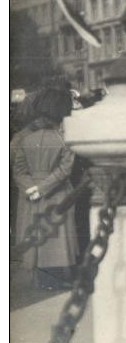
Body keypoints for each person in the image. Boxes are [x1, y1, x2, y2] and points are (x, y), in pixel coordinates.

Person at [11, 88, 78, 290]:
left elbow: (18, 169)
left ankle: (41, 278)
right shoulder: (63, 138)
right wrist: (43, 187)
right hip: (55, 192)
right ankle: (56, 278)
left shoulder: (25, 138)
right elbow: (65, 169)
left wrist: (31, 188)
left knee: (37, 237)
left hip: (30, 194)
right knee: (56, 238)